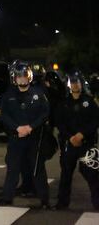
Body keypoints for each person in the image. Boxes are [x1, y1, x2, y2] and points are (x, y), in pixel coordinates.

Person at [0, 60, 51, 209]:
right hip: (16, 137)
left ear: (29, 77)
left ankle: (44, 200)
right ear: (15, 78)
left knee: (37, 169)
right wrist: (17, 128)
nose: (22, 79)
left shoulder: (38, 94)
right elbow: (4, 115)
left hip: (34, 138)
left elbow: (45, 113)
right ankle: (7, 198)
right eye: (19, 76)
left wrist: (31, 127)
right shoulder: (9, 95)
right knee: (13, 168)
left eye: (24, 76)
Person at [55, 71, 99, 210]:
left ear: (81, 83)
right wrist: (71, 137)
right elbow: (60, 123)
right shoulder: (64, 103)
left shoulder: (90, 101)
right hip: (69, 144)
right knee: (66, 175)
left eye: (77, 82)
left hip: (86, 144)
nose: (75, 85)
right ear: (69, 85)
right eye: (72, 83)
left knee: (92, 174)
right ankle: (62, 203)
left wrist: (82, 134)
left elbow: (95, 121)